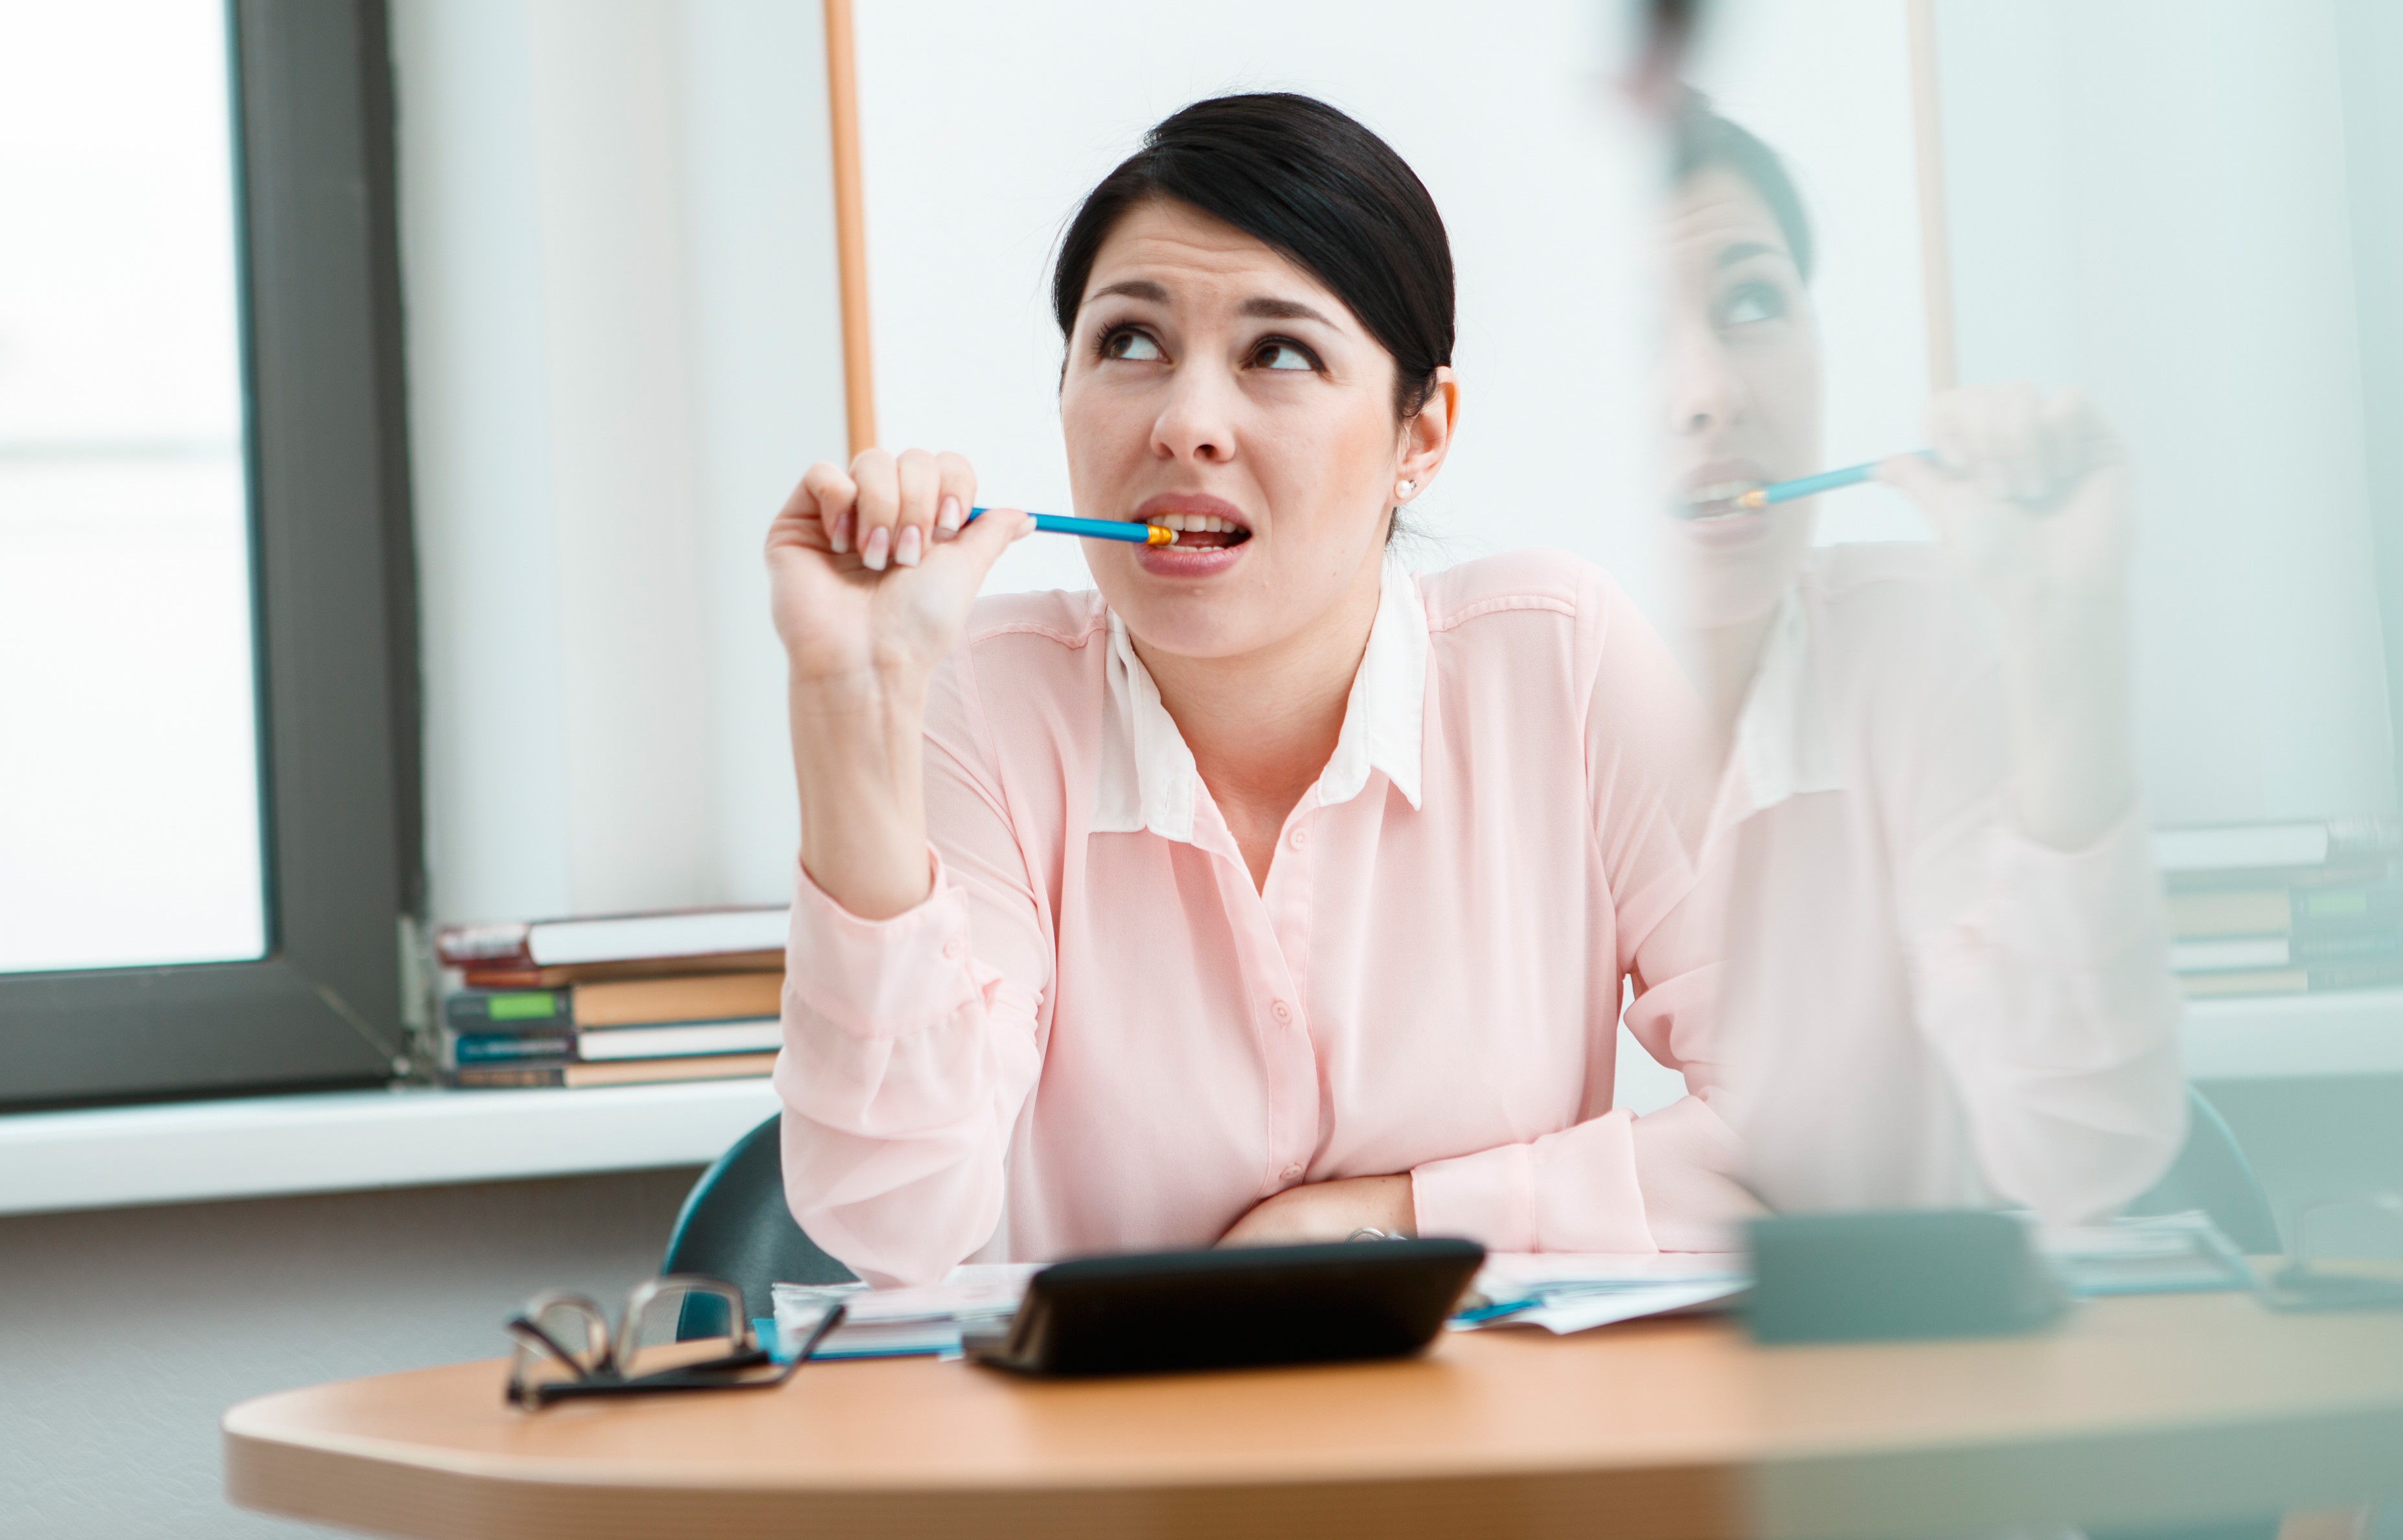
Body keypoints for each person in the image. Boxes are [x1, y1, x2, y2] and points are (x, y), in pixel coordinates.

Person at [764, 93, 1752, 1287]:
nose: (1186, 424)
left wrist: (1397, 1214)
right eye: (1129, 342)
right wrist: (849, 710)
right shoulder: (980, 697)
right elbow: (893, 1218)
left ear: (1420, 436)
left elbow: (1819, 1132)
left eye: (1278, 352)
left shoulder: (1563, 662)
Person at [1657, 94, 2185, 1221]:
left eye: (1752, 301)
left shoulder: (1916, 648)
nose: (1709, 395)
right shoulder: (1433, 688)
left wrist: (2063, 633)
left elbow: (2078, 1155)